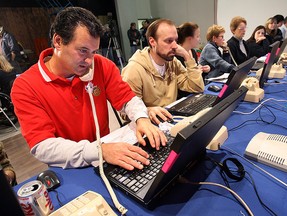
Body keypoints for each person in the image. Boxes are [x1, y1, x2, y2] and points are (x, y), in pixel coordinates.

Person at [11, 7, 166, 170]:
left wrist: (142, 118)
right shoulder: (26, 86)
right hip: (71, 167)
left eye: (93, 52)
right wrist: (98, 151)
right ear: (58, 41)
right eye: (83, 51)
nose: (89, 60)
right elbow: (42, 146)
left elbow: (127, 99)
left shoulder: (101, 65)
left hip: (109, 155)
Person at [122, 19, 204, 124]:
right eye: (169, 41)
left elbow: (197, 87)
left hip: (170, 120)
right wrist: (147, 110)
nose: (175, 46)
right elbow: (125, 112)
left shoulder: (173, 63)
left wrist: (187, 56)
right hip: (149, 124)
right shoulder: (134, 69)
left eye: (175, 40)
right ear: (152, 42)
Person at [176, 22, 210, 95]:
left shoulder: (193, 52)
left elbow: (196, 76)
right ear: (189, 39)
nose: (199, 39)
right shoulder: (176, 57)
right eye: (197, 36)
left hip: (196, 91)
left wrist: (203, 70)